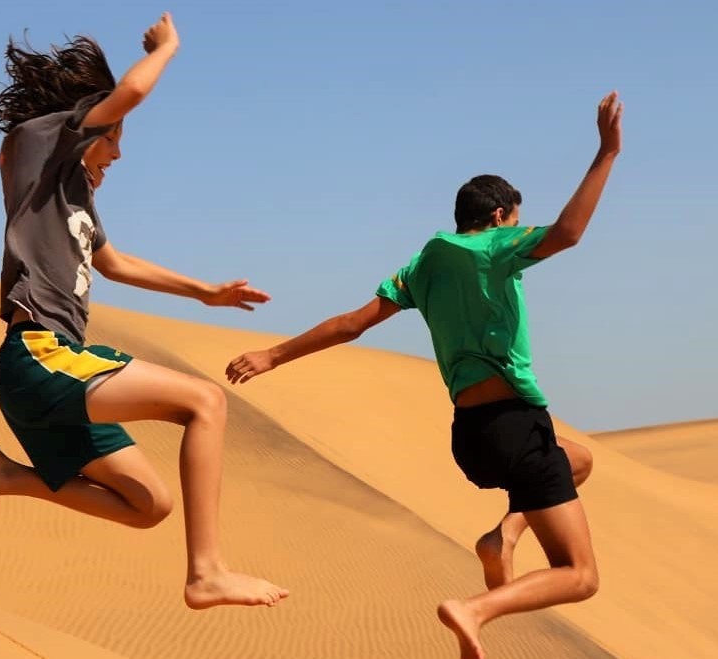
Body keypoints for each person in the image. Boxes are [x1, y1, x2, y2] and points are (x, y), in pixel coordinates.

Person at [225, 92, 622, 655]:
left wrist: (271, 356)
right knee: (580, 575)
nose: (520, 228)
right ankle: (473, 609)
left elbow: (350, 324)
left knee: (578, 459)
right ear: (496, 219)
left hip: (472, 437)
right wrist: (606, 153)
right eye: (515, 218)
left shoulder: (422, 266)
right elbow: (569, 233)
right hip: (514, 423)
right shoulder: (495, 246)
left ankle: (503, 536)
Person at [0, 12, 288, 610]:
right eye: (113, 136)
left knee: (150, 505)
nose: (117, 152)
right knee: (206, 402)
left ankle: (6, 474)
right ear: (86, 120)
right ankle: (207, 572)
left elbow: (114, 262)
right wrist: (168, 47)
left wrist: (206, 292)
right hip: (40, 357)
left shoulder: (70, 193)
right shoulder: (41, 140)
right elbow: (133, 91)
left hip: (57, 369)